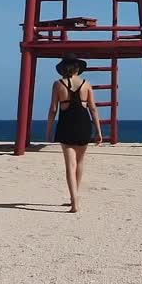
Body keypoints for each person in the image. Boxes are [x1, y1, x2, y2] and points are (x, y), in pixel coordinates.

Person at [44, 54, 103, 213]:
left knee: (70, 165)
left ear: (63, 68)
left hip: (66, 125)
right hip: (84, 125)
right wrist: (98, 131)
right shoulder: (86, 84)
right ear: (78, 68)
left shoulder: (58, 84)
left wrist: (49, 130)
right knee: (80, 162)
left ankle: (74, 200)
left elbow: (53, 110)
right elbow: (93, 109)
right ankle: (76, 196)